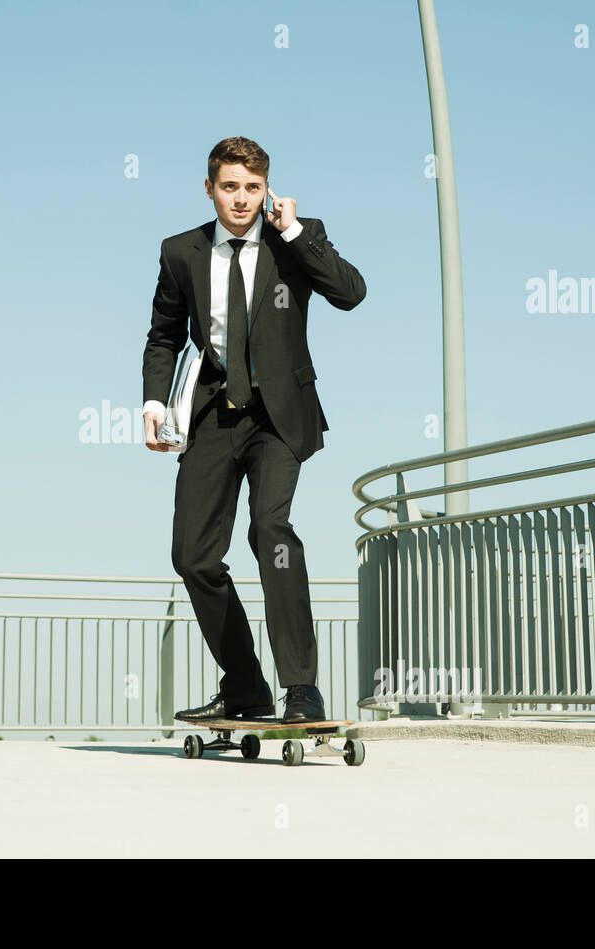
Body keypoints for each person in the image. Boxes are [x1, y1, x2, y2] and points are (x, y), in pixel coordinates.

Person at [141, 137, 366, 723]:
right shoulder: (180, 252)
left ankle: (302, 689)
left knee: (272, 532)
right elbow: (163, 335)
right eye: (231, 186)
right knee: (192, 555)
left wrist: (294, 234)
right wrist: (153, 404)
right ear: (211, 188)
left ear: (267, 188)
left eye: (253, 187)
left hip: (279, 416)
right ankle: (244, 685)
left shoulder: (297, 236)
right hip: (213, 413)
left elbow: (350, 294)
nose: (243, 199)